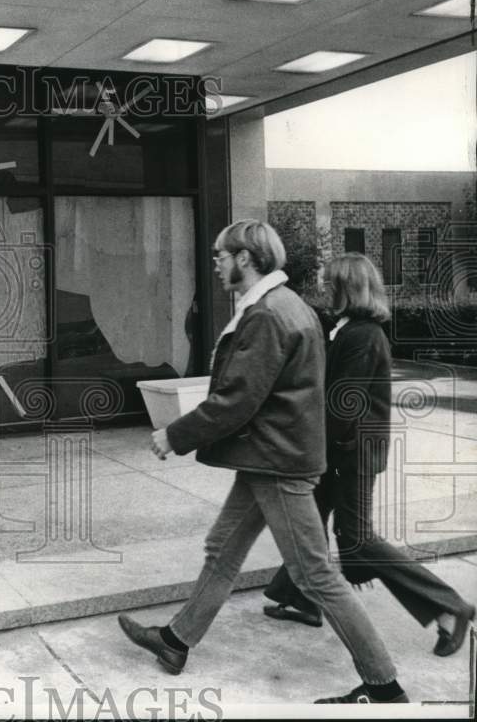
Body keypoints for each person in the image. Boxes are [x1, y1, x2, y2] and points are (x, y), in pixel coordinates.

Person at [117, 220, 409, 705]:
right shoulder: (286, 306)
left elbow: (237, 398)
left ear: (246, 258)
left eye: (220, 254)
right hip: (270, 456)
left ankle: (383, 685)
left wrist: (175, 434)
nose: (215, 262)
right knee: (222, 550)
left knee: (316, 575)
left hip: (278, 462)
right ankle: (174, 642)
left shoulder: (269, 315)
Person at [263, 252, 474, 655]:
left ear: (347, 288)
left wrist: (304, 449)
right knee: (307, 520)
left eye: (331, 284)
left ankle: (450, 606)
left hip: (348, 454)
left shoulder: (361, 335)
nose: (325, 290)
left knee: (358, 540)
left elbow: (343, 406)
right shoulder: (353, 330)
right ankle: (301, 598)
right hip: (345, 452)